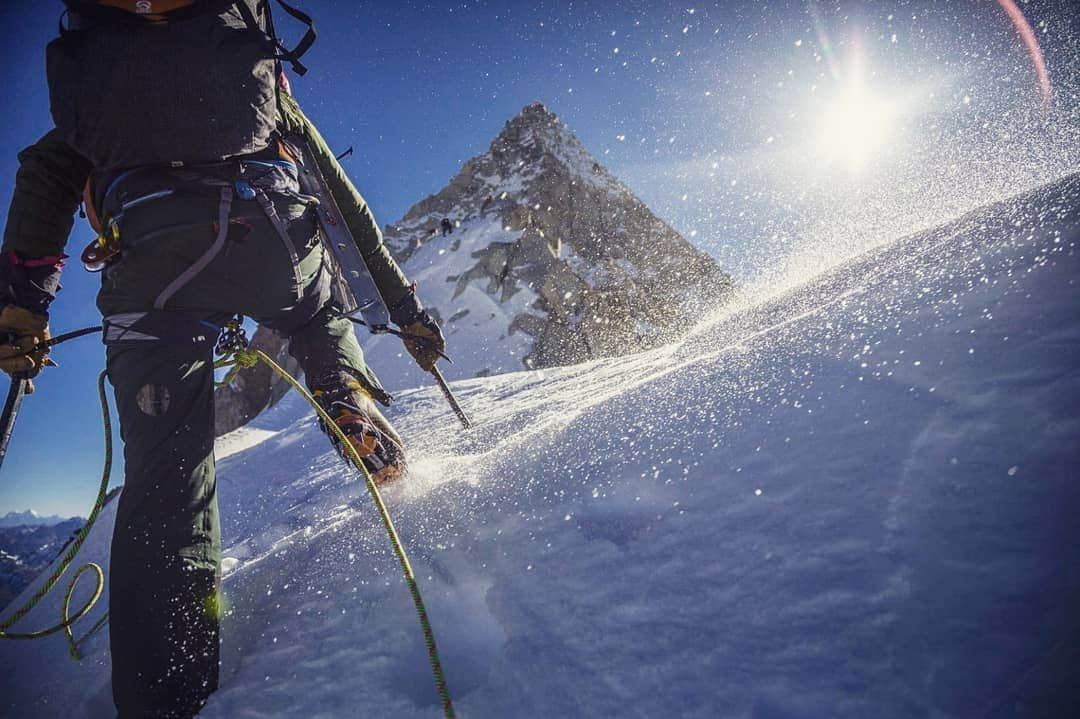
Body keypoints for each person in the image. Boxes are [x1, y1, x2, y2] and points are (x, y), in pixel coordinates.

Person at [0, 1, 444, 716]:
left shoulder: (98, 84)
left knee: (168, 478)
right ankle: (341, 387)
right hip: (273, 239)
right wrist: (408, 314)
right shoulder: (263, 89)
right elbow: (348, 207)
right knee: (320, 309)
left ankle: (166, 695)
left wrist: (22, 304)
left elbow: (46, 173)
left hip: (152, 269)